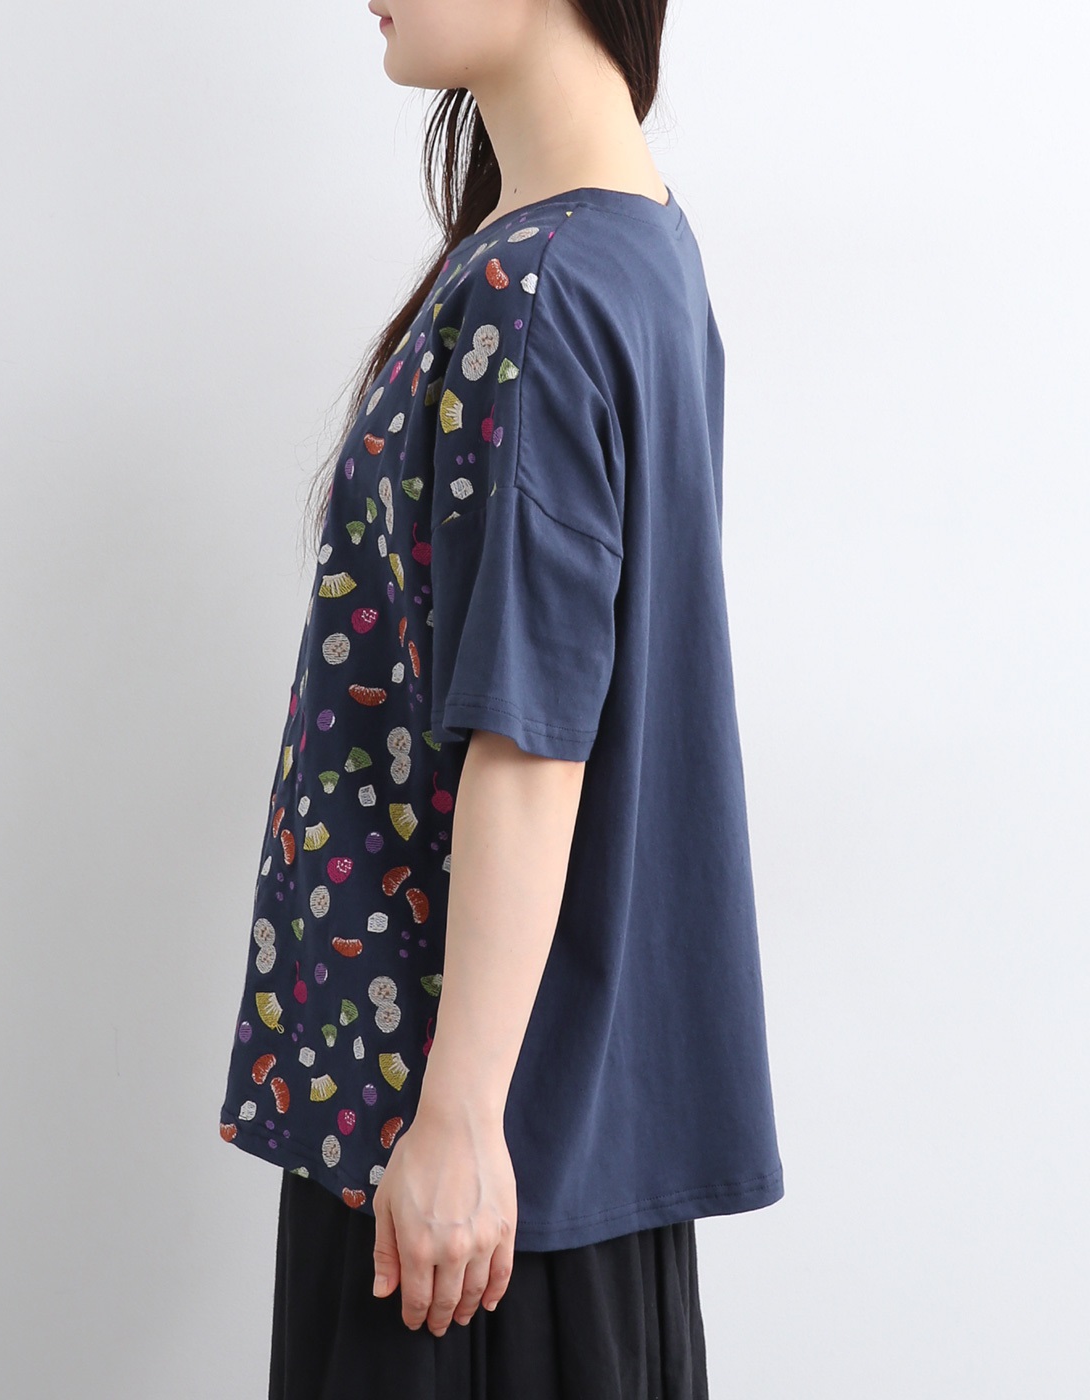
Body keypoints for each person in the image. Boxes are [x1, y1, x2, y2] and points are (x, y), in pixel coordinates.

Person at [218, 2, 785, 1395]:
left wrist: (460, 1119)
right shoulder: (636, 246)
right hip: (550, 1136)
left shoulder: (536, 290)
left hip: (458, 1163)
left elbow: (533, 737)